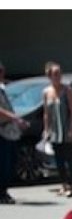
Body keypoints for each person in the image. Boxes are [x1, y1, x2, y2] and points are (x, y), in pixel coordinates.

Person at [42, 61, 72, 196]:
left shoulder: (67, 90)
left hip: (66, 129)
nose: (58, 76)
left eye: (59, 73)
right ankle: (64, 184)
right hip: (55, 131)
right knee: (59, 160)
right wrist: (46, 129)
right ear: (49, 76)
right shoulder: (46, 92)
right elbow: (46, 113)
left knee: (69, 158)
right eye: (55, 74)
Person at [0, 61, 29, 204]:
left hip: (8, 131)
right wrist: (15, 118)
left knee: (10, 163)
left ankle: (3, 191)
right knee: (3, 164)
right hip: (2, 132)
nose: (2, 74)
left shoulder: (2, 89)